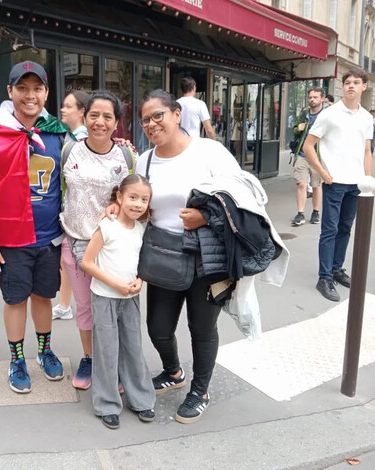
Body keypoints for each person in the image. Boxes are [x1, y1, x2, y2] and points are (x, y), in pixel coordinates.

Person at [135, 89, 242, 424]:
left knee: (201, 327)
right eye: (145, 120)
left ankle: (201, 390)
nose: (151, 124)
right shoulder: (145, 160)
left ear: (177, 114)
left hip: (205, 255)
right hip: (163, 254)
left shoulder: (209, 152)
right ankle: (173, 371)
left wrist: (206, 217)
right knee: (158, 327)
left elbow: (244, 197)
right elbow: (138, 201)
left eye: (158, 116)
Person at [0, 61, 68, 393]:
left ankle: (44, 351)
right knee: (15, 300)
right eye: (23, 88)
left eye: (38, 88)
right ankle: (17, 358)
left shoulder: (58, 132)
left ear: (46, 92)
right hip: (12, 238)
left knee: (43, 297)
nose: (31, 95)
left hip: (49, 236)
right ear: (10, 92)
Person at [60, 90, 135, 390]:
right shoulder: (68, 151)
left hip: (110, 245)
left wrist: (120, 204)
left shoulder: (127, 156)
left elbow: (135, 196)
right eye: (94, 115)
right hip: (75, 241)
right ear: (84, 116)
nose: (100, 122)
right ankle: (90, 357)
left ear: (117, 123)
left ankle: (112, 362)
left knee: (111, 307)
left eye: (107, 117)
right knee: (85, 307)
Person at [80, 174, 156, 429]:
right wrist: (114, 284)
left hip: (131, 298)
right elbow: (87, 262)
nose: (138, 204)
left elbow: (141, 263)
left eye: (144, 199)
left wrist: (140, 281)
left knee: (133, 348)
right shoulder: (107, 226)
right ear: (119, 197)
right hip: (105, 298)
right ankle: (107, 404)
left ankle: (141, 399)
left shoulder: (142, 229)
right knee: (107, 350)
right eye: (133, 197)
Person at [303, 69, 373, 302]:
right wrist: (323, 172)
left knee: (345, 229)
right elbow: (308, 146)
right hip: (334, 183)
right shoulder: (330, 114)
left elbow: (366, 150)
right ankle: (324, 278)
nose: (351, 86)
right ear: (342, 87)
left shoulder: (366, 117)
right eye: (347, 82)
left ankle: (336, 269)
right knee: (329, 231)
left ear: (364, 86)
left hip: (355, 184)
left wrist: (367, 182)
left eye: (356, 82)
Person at [52, 90, 90, 321]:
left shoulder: (81, 140)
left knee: (73, 262)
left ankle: (70, 305)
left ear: (82, 111)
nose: (63, 110)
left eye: (68, 106)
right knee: (66, 262)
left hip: (76, 216)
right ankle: (65, 305)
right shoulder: (69, 136)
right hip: (70, 212)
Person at [290, 87, 325, 226]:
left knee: (316, 185)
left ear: (322, 98)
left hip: (318, 156)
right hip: (302, 154)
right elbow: (294, 129)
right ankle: (300, 213)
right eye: (310, 97)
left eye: (315, 97)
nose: (312, 100)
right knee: (301, 184)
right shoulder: (304, 113)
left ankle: (316, 212)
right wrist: (298, 129)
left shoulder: (327, 114)